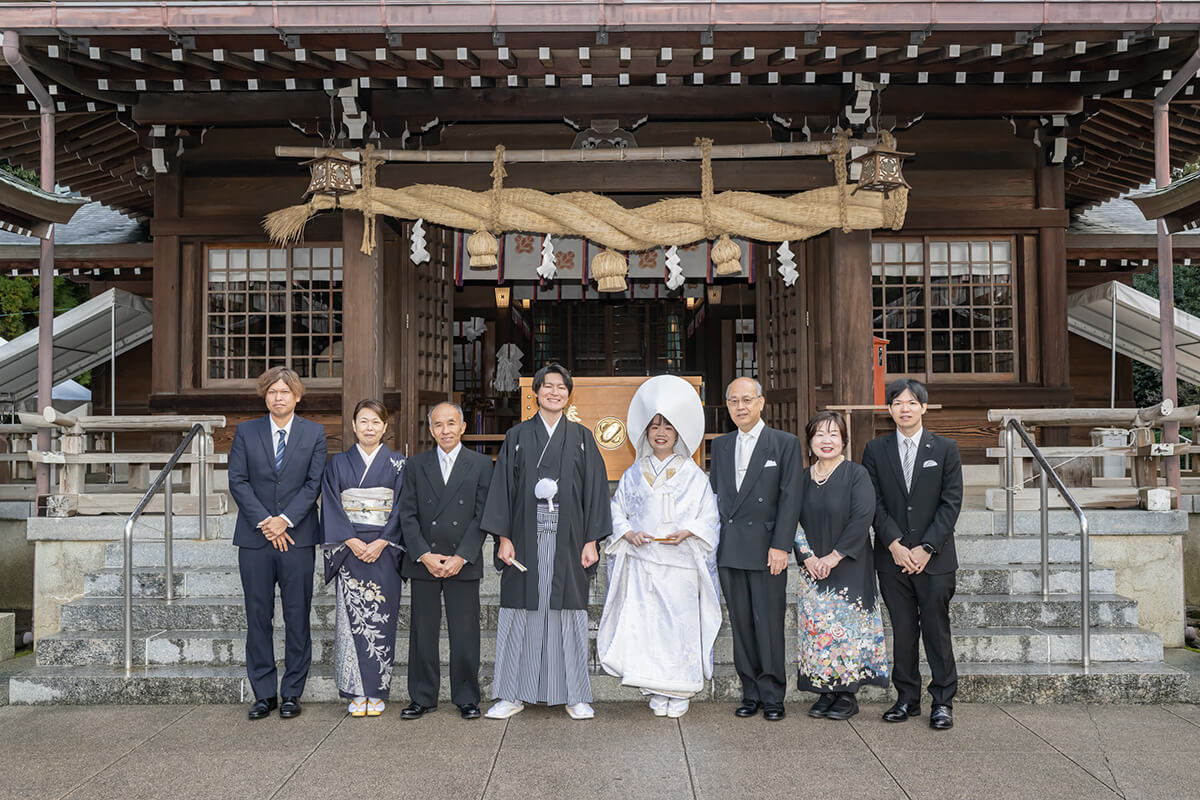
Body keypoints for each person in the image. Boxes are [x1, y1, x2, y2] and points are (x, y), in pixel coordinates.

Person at [480, 362, 612, 721]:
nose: (554, 392)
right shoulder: (517, 437)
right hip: (524, 537)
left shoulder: (583, 438)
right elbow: (503, 488)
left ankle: (574, 695)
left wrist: (591, 541)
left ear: (569, 395)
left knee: (567, 613)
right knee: (520, 612)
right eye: (547, 386)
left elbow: (595, 491)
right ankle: (511, 693)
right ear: (535, 392)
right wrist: (503, 537)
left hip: (569, 539)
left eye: (561, 387)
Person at [597, 375, 721, 718]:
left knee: (678, 627)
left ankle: (679, 689)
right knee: (647, 627)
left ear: (678, 433)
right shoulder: (634, 473)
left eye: (667, 426)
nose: (661, 432)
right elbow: (617, 510)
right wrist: (627, 532)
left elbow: (709, 516)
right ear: (646, 434)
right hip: (643, 560)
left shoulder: (694, 474)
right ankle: (654, 684)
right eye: (654, 427)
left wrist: (690, 531)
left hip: (680, 562)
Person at [862, 378, 963, 730]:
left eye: (911, 402)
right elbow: (872, 502)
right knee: (903, 630)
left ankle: (942, 701)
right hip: (892, 558)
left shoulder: (945, 449)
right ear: (889, 409)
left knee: (936, 630)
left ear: (923, 407)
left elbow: (951, 504)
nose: (904, 408)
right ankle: (906, 698)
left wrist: (926, 548)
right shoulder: (875, 451)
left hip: (934, 559)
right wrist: (892, 544)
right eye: (897, 403)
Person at [227, 366, 327, 720]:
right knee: (258, 617)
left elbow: (314, 483)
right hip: (255, 539)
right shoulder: (246, 431)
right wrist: (266, 522)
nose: (279, 397)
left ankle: (292, 693)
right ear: (265, 396)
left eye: (285, 391)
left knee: (297, 615)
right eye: (272, 392)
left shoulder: (314, 433)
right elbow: (238, 481)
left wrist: (284, 521)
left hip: (297, 539)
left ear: (297, 396)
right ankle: (264, 693)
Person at [709, 376, 802, 721]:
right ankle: (750, 692)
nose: (740, 407)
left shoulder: (783, 443)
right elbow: (715, 498)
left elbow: (791, 500)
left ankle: (773, 694)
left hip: (767, 549)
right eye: (733, 401)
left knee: (769, 624)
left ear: (761, 403)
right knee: (742, 624)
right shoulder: (720, 446)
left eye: (747, 400)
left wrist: (781, 546)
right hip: (731, 548)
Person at [396, 401, 494, 721]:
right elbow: (407, 514)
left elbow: (483, 515)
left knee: (464, 632)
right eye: (438, 425)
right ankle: (422, 696)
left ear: (463, 427)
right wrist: (423, 554)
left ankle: (466, 696)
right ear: (430, 430)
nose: (445, 430)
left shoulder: (480, 464)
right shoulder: (416, 464)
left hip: (461, 560)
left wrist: (462, 556)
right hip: (425, 560)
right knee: (423, 631)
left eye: (451, 423)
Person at [794, 410, 889, 722]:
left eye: (834, 434)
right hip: (812, 568)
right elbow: (790, 520)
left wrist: (833, 557)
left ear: (844, 441)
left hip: (849, 564)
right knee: (817, 631)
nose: (827, 440)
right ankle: (825, 690)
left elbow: (862, 518)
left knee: (846, 631)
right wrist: (808, 557)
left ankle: (846, 693)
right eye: (820, 434)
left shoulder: (856, 475)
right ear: (809, 442)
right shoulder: (801, 478)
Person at [320, 399, 406, 718]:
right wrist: (352, 540)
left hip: (384, 551)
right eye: (363, 421)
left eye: (376, 422)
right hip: (350, 550)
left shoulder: (398, 464)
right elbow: (330, 502)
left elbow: (402, 509)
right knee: (351, 620)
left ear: (385, 428)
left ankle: (377, 690)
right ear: (354, 426)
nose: (369, 427)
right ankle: (355, 689)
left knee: (381, 619)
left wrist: (384, 540)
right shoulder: (337, 464)